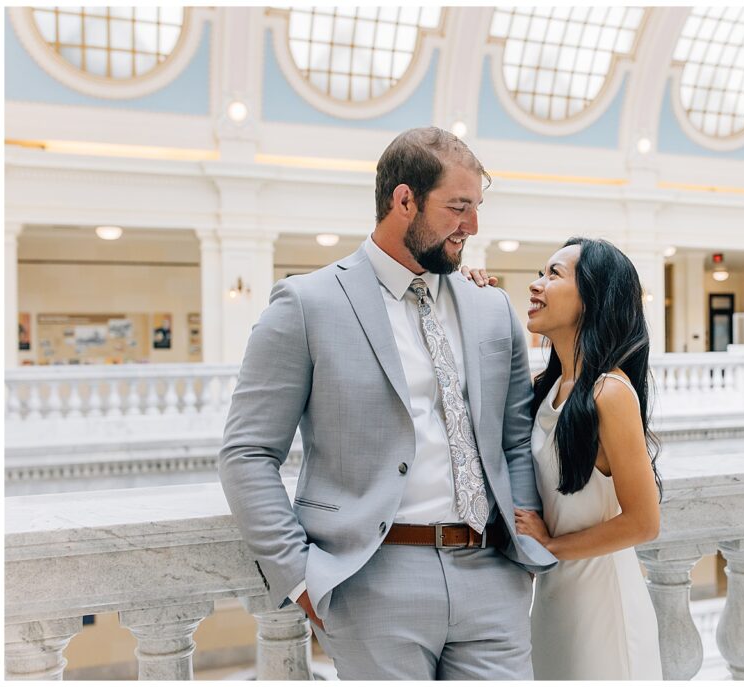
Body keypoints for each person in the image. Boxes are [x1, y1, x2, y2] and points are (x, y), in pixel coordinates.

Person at [219, 127, 556, 680]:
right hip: (373, 584)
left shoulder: (491, 306)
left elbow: (514, 436)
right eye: (458, 207)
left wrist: (520, 538)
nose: (472, 226)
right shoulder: (307, 305)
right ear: (404, 201)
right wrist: (301, 578)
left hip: (493, 578)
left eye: (475, 208)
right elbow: (248, 452)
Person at [463, 237, 664, 680]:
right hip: (555, 598)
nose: (535, 285)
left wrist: (552, 546)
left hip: (603, 606)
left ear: (593, 297)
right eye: (540, 273)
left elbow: (644, 522)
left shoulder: (609, 393)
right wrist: (467, 300)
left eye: (553, 274)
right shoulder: (545, 389)